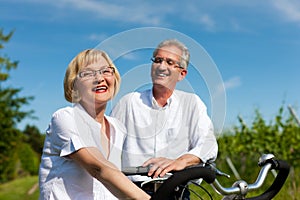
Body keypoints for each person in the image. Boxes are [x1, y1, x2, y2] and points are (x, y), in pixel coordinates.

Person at [111, 39, 218, 198]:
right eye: (158, 60)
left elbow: (208, 144)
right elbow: (108, 150)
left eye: (169, 62)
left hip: (177, 192)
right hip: (132, 192)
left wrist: (181, 161)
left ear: (182, 73)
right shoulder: (128, 102)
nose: (161, 66)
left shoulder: (192, 103)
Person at [38, 49, 150, 200]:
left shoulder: (117, 127)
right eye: (88, 73)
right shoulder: (66, 118)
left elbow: (117, 179)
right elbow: (99, 168)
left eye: (106, 71)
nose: (99, 78)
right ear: (74, 86)